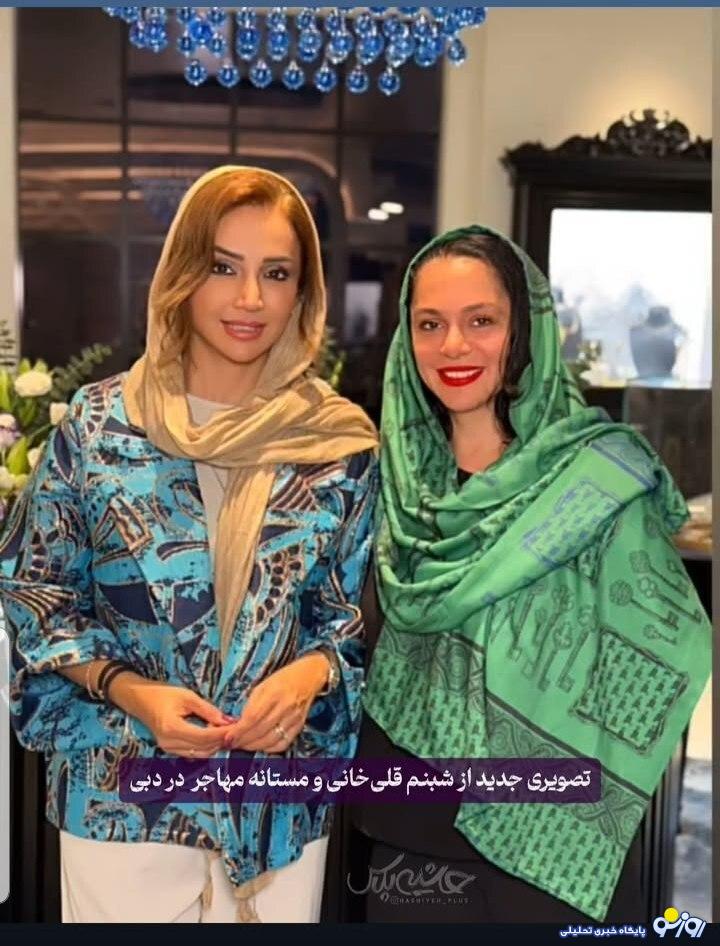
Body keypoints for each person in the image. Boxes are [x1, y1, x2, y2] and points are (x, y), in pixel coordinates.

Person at [0, 165, 379, 923]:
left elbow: (351, 619)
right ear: (181, 275)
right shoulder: (100, 426)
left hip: (274, 804)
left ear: (304, 292)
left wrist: (308, 677)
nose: (250, 299)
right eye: (223, 268)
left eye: (277, 273)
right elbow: (37, 593)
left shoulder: (337, 445)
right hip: (123, 792)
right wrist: (134, 693)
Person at [344, 225, 710, 923]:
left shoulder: (592, 482)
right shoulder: (385, 487)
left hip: (553, 853)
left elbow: (667, 648)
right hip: (407, 840)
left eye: (481, 321)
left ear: (525, 330)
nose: (453, 345)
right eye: (430, 324)